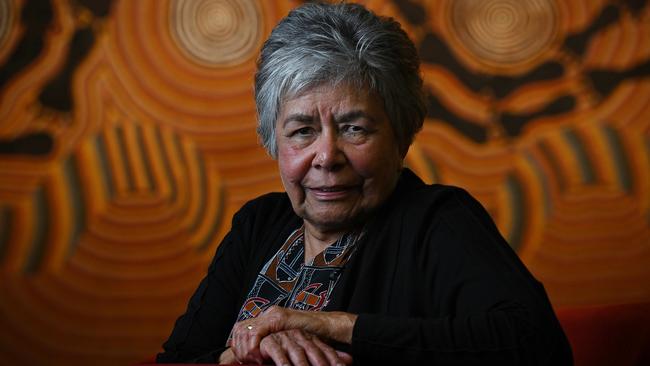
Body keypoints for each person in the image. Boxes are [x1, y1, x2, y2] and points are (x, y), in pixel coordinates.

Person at [157, 2, 572, 365]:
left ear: (401, 135)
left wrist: (333, 326)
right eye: (302, 131)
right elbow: (178, 359)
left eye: (354, 128)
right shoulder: (256, 224)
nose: (326, 156)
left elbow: (535, 345)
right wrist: (246, 352)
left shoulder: (439, 221)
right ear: (273, 141)